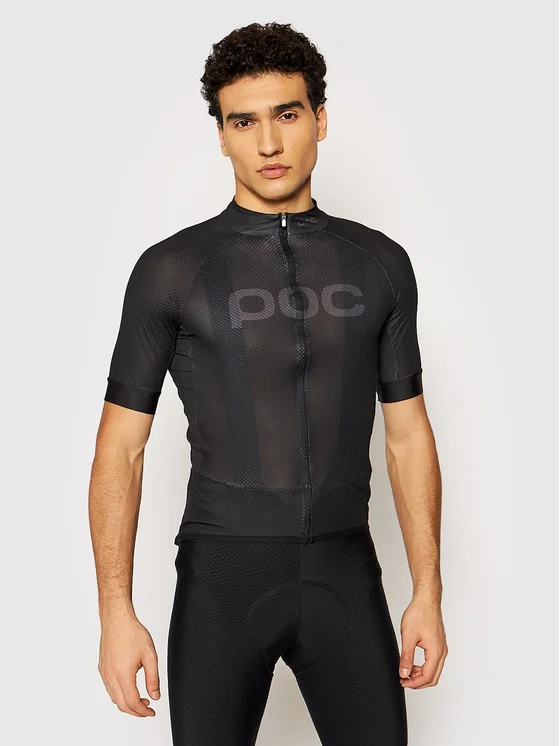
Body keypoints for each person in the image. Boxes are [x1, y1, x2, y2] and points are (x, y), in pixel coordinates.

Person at [89, 21, 448, 746]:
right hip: (223, 582)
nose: (269, 143)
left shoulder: (379, 263)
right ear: (222, 137)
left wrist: (427, 593)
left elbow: (408, 436)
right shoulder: (171, 270)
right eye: (243, 122)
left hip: (346, 572)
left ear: (320, 119)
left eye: (287, 114)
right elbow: (119, 449)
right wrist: (115, 615)